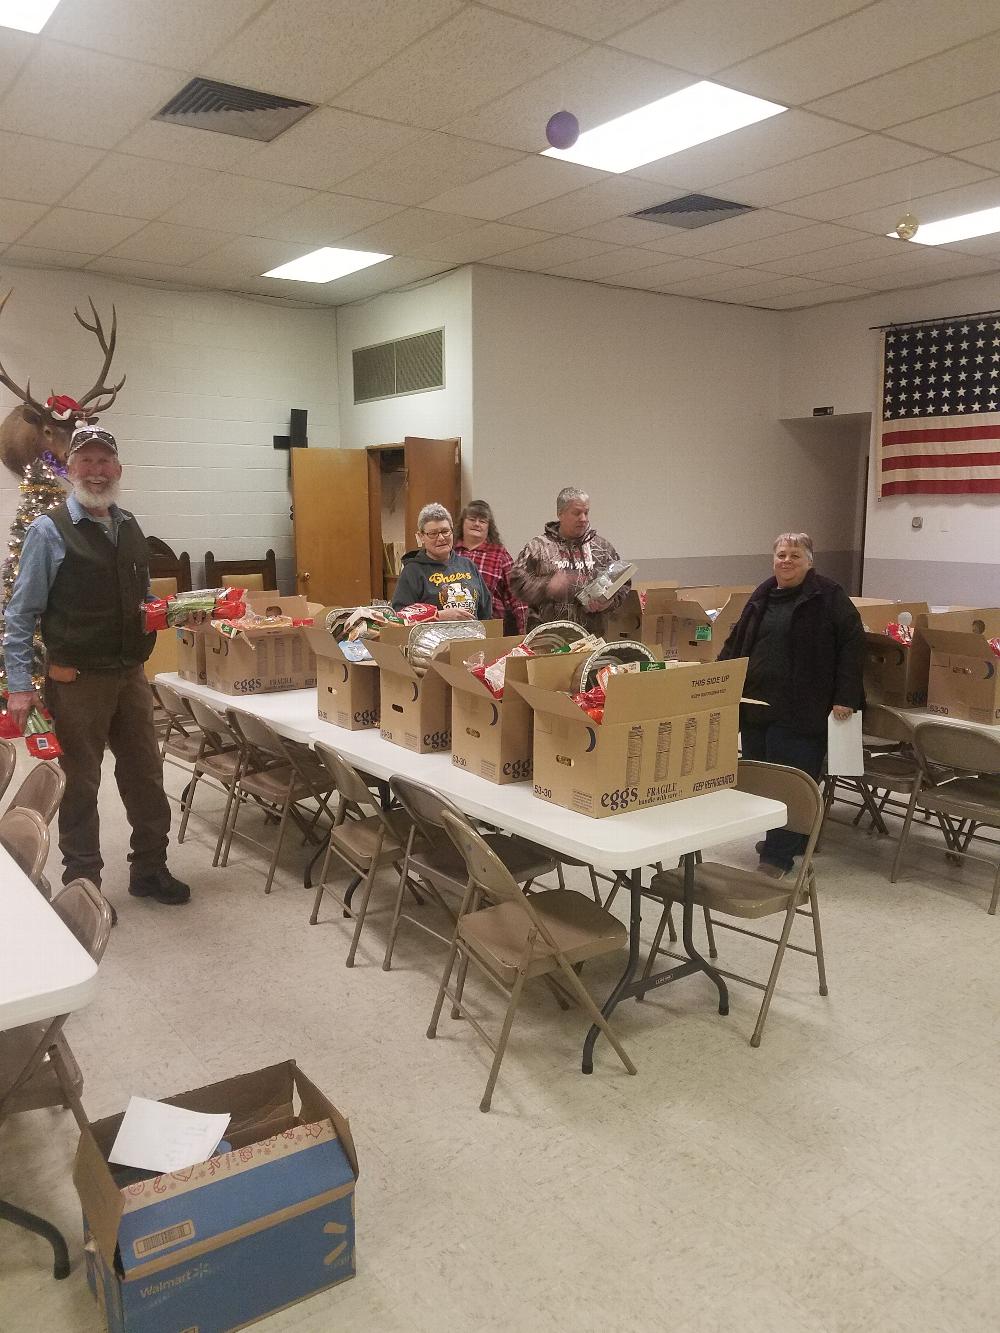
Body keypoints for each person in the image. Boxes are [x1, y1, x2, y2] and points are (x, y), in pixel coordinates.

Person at [2, 425, 192, 913]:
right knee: (81, 786)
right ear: (71, 469)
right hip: (77, 681)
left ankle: (150, 868)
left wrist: (164, 610)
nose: (96, 470)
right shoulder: (50, 530)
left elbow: (139, 597)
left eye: (105, 460)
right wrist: (19, 687)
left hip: (130, 676)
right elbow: (20, 613)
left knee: (146, 776)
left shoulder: (129, 525)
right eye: (85, 460)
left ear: (119, 469)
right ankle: (83, 885)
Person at [718, 532, 864, 878]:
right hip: (756, 705)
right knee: (763, 779)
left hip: (802, 709)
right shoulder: (764, 593)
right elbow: (738, 639)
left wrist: (846, 696)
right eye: (781, 554)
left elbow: (853, 646)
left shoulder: (829, 596)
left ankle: (777, 858)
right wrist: (718, 680)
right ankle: (790, 840)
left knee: (788, 781)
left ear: (809, 561)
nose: (786, 561)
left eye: (795, 556)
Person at [509, 487, 631, 636]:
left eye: (586, 512)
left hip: (591, 637)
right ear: (560, 513)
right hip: (547, 638)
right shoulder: (538, 547)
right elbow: (515, 583)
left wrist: (608, 602)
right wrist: (546, 586)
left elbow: (624, 583)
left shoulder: (602, 548)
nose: (583, 518)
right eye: (577, 513)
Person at [391, 503, 493, 620]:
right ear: (421, 536)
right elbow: (400, 617)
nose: (441, 538)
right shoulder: (412, 571)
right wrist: (439, 615)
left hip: (473, 636)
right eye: (433, 534)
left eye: (445, 531)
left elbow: (485, 612)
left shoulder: (468, 565)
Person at [454, 499, 528, 636]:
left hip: (490, 630)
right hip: (452, 629)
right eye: (472, 519)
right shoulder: (450, 553)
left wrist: (525, 635)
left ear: (489, 527)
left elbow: (518, 598)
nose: (477, 524)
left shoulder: (499, 555)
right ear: (463, 522)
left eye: (482, 521)